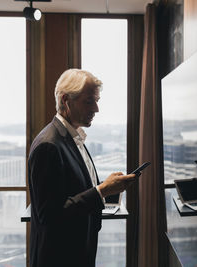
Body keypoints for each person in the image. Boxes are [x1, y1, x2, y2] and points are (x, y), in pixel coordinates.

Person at [28, 69, 136, 267]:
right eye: (89, 101)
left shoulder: (73, 137)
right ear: (66, 100)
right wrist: (102, 191)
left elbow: (74, 190)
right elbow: (50, 216)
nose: (96, 109)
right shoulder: (48, 145)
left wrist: (106, 187)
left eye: (97, 100)